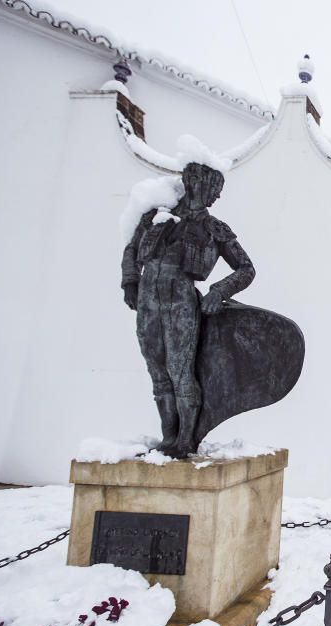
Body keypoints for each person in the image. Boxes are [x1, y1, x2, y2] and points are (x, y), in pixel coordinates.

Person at [121, 162, 255, 458]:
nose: (216, 197)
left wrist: (219, 291)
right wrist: (130, 281)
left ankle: (185, 440)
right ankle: (168, 438)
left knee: (179, 372)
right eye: (214, 189)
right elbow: (131, 249)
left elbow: (246, 268)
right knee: (157, 372)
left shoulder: (214, 228)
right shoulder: (156, 216)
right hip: (148, 299)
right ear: (196, 181)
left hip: (181, 298)